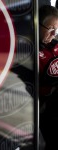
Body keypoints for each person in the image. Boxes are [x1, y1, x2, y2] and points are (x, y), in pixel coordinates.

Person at [39, 5, 58, 150]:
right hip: (41, 110)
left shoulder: (56, 45)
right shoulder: (29, 51)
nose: (53, 34)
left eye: (55, 29)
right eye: (50, 28)